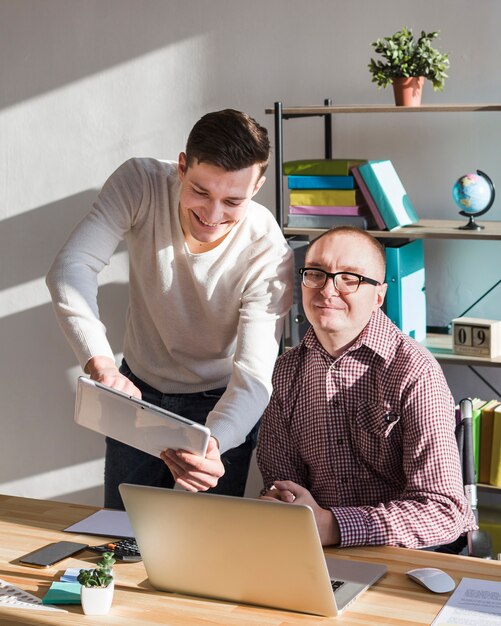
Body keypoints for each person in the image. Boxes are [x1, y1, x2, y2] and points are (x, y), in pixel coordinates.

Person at [46, 109, 293, 509]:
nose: (212, 216)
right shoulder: (140, 182)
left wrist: (213, 443)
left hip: (222, 404)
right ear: (182, 166)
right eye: (200, 191)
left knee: (205, 548)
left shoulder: (267, 248)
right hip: (136, 390)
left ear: (258, 186)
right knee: (121, 537)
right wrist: (101, 365)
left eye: (232, 201)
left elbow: (253, 377)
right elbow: (70, 269)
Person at [257, 226, 477, 549]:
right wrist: (284, 506)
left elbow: (443, 511)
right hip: (318, 555)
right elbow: (282, 488)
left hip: (409, 558)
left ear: (379, 296)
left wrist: (334, 526)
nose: (328, 291)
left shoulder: (414, 371)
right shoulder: (285, 374)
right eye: (316, 274)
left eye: (349, 278)